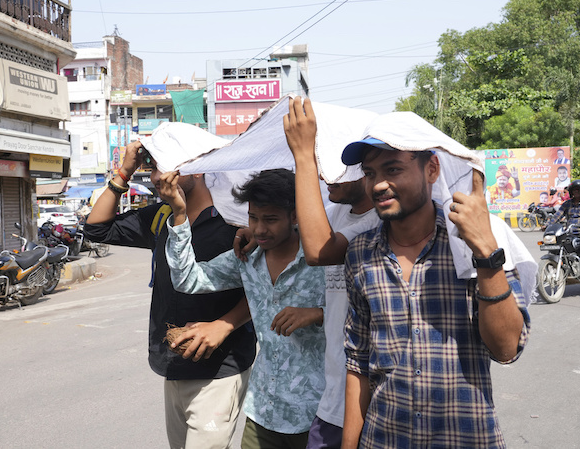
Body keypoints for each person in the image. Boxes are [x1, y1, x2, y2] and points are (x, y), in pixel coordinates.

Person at [338, 114, 532, 448]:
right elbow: (358, 364)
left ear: (432, 170)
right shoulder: (360, 254)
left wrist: (486, 252)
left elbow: (506, 349)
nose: (378, 184)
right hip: (383, 439)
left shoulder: (473, 242)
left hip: (466, 438)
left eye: (393, 169)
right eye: (370, 174)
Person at [84, 140, 256, 449]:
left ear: (197, 167)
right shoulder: (162, 216)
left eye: (164, 165)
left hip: (220, 367)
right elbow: (97, 230)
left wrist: (225, 324)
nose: (154, 177)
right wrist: (124, 171)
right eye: (151, 167)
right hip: (173, 363)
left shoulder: (238, 222)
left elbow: (263, 285)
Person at [164, 168, 327, 449]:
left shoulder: (323, 257)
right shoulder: (246, 257)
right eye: (254, 218)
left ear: (295, 216)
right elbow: (187, 280)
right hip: (263, 410)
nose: (260, 229)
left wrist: (317, 313)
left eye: (271, 220)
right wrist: (180, 215)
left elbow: (360, 311)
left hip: (317, 412)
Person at [282, 96, 380, 449]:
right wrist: (245, 228)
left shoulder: (376, 223)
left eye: (333, 162)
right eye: (320, 161)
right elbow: (296, 220)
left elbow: (318, 250)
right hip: (334, 390)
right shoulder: (337, 212)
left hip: (364, 396)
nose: (323, 175)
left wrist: (304, 155)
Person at [546, 179, 580, 280]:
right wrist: (548, 224)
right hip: (570, 232)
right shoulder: (567, 204)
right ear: (571, 192)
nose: (577, 192)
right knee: (558, 244)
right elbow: (557, 215)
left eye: (579, 190)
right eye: (574, 190)